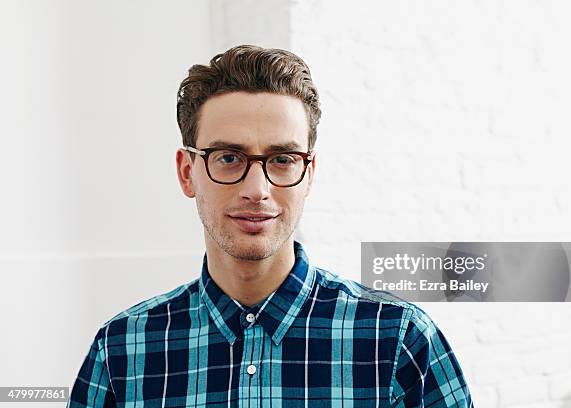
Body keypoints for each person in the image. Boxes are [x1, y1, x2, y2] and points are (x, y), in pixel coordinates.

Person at [68, 45, 473, 407]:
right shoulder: (122, 350)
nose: (256, 190)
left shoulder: (399, 341)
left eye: (282, 159)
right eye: (228, 157)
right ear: (187, 172)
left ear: (309, 174)